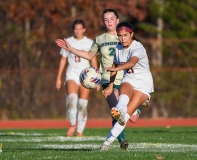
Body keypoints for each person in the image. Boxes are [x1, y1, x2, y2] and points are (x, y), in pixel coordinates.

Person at [55, 9, 146, 150]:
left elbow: (137, 57)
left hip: (128, 79)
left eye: (111, 19)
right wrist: (70, 48)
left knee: (133, 118)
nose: (109, 22)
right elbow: (89, 55)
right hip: (107, 79)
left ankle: (140, 101)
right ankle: (122, 141)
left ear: (117, 19)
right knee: (116, 110)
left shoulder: (125, 36)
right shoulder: (100, 39)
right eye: (106, 20)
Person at [100, 21, 154, 151]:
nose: (122, 38)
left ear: (131, 34)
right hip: (129, 79)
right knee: (123, 98)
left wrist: (117, 68)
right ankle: (119, 113)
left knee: (128, 115)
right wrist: (110, 86)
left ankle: (107, 142)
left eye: (125, 35)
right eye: (120, 36)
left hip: (143, 83)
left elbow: (131, 63)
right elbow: (114, 67)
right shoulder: (118, 48)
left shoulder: (138, 47)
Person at [55, 19, 98, 137]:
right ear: (73, 30)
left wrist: (97, 79)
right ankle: (73, 123)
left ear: (84, 29)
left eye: (80, 29)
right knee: (72, 100)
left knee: (83, 104)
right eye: (75, 29)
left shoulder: (90, 42)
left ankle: (80, 130)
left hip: (86, 76)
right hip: (72, 74)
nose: (78, 31)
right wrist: (58, 77)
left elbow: (93, 60)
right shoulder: (67, 42)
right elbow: (63, 60)